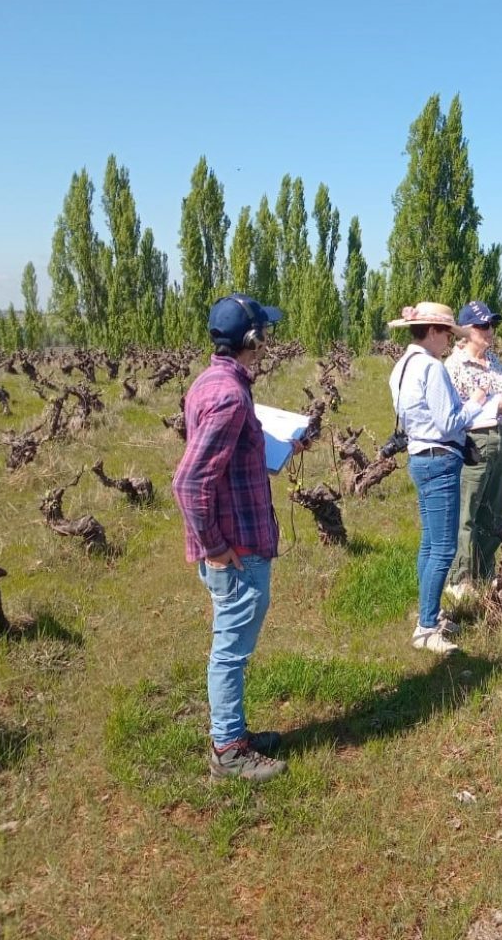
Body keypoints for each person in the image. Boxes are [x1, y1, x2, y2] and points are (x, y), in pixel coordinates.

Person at [172, 293, 293, 782]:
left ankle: (234, 734)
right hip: (237, 547)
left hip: (236, 540)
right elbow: (189, 481)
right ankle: (228, 752)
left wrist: (283, 447)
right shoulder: (228, 395)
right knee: (231, 649)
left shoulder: (212, 382)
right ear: (250, 339)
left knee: (232, 644)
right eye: (263, 332)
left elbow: (231, 456)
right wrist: (216, 546)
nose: (267, 340)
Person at [388, 302, 487, 655]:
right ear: (431, 331)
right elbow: (448, 423)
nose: (449, 340)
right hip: (440, 458)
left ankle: (430, 612)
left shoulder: (403, 366)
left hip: (420, 455)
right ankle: (427, 626)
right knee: (444, 548)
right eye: (446, 333)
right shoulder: (431, 367)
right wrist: (475, 402)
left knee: (430, 543)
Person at [444, 300, 502, 600]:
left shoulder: (494, 361)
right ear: (465, 332)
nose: (489, 330)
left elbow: (498, 399)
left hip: (499, 438)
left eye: (492, 324)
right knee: (467, 510)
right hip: (472, 442)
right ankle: (460, 578)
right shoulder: (453, 367)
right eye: (482, 325)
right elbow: (452, 413)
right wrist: (493, 404)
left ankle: (486, 569)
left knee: (494, 509)